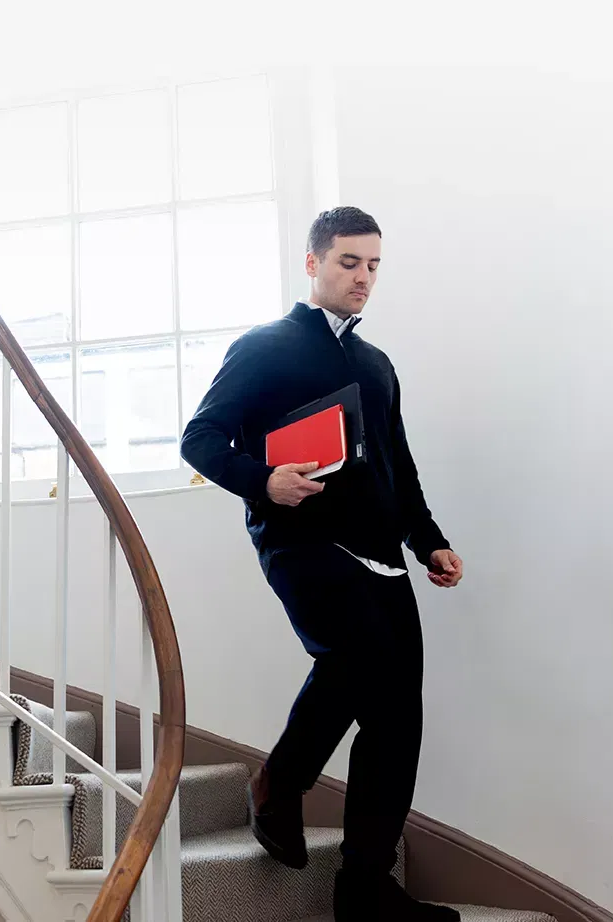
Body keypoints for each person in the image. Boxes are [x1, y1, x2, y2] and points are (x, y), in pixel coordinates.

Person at [181, 206, 463, 921]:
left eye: (373, 266)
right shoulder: (265, 346)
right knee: (353, 660)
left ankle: (365, 888)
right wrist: (264, 480)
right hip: (300, 542)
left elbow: (399, 467)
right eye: (349, 263)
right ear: (312, 263)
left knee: (399, 719)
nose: (363, 278)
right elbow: (200, 439)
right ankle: (278, 784)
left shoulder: (376, 363)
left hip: (379, 554)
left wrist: (428, 540)